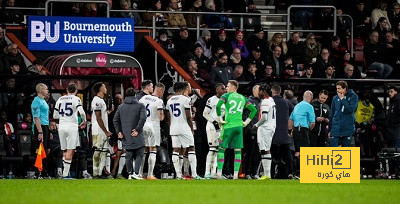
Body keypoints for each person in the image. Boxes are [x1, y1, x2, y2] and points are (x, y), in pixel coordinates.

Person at [215, 80, 257, 179]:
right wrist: (246, 122)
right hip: (239, 127)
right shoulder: (243, 98)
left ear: (234, 87)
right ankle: (235, 175)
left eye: (228, 86)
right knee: (237, 151)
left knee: (221, 149)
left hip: (228, 126)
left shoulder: (226, 96)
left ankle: (219, 173)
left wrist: (220, 119)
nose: (226, 88)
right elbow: (254, 110)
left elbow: (218, 106)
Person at [166, 82, 201, 179]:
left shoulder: (170, 100)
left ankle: (178, 174)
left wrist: (171, 127)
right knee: (191, 148)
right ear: (184, 88)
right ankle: (194, 174)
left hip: (173, 127)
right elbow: (188, 117)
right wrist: (191, 129)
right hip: (184, 127)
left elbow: (168, 116)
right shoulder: (185, 99)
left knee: (176, 149)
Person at [53, 83, 87, 179]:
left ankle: (65, 173)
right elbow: (82, 112)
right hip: (72, 126)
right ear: (76, 91)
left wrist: (60, 123)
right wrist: (84, 121)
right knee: (70, 150)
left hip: (62, 127)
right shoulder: (76, 99)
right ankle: (65, 175)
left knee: (64, 151)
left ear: (67, 90)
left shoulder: (60, 99)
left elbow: (55, 116)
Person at [113, 88, 147, 179]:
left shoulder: (121, 107)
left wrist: (119, 131)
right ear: (135, 95)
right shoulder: (140, 105)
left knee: (129, 153)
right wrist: (137, 129)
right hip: (137, 133)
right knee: (139, 153)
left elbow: (115, 120)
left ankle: (129, 174)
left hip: (125, 134)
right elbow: (143, 118)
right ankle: (136, 174)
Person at [138, 83, 165, 180]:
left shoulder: (143, 99)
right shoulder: (159, 101)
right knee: (153, 149)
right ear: (161, 90)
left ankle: (140, 174)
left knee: (143, 150)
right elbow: (160, 117)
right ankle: (150, 175)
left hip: (143, 126)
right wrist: (163, 116)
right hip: (153, 126)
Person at [289, 90, 315, 177]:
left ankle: (294, 172)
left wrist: (291, 131)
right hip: (303, 130)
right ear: (311, 98)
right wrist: (308, 130)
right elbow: (312, 123)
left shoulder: (296, 106)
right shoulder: (309, 107)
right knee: (305, 151)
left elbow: (290, 120)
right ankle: (302, 173)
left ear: (303, 97)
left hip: (295, 130)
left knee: (297, 151)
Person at [252, 84, 276, 180]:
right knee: (266, 150)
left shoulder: (265, 101)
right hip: (271, 127)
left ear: (263, 91)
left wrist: (256, 125)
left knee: (264, 150)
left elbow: (264, 117)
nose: (258, 93)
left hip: (265, 128)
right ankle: (267, 174)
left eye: (260, 90)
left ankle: (267, 174)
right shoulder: (271, 100)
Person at [202, 83, 226, 179]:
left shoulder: (225, 101)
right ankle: (207, 172)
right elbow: (205, 113)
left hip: (220, 128)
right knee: (212, 149)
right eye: (222, 89)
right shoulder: (211, 100)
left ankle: (214, 172)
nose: (224, 90)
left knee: (218, 150)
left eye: (225, 88)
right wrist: (214, 122)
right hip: (212, 127)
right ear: (217, 90)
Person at [271, 84, 294, 179]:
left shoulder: (269, 101)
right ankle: (291, 172)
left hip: (272, 133)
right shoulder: (286, 102)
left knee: (270, 155)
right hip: (284, 134)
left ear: (272, 91)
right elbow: (294, 112)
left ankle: (270, 174)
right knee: (287, 156)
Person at [91, 82, 113, 179]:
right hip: (99, 130)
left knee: (104, 151)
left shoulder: (101, 100)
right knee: (98, 150)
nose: (106, 88)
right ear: (100, 89)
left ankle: (100, 172)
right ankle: (95, 173)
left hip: (103, 130)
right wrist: (106, 131)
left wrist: (108, 112)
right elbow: (98, 118)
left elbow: (102, 116)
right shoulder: (96, 100)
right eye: (104, 87)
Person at [328, 81, 359, 147]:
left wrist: (342, 99)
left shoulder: (354, 97)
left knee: (345, 152)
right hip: (336, 129)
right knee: (333, 151)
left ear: (344, 89)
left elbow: (351, 110)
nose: (337, 90)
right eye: (336, 88)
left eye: (339, 88)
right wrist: (330, 130)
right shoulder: (335, 98)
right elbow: (332, 114)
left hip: (347, 129)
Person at [31, 83, 50, 178]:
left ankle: (43, 171)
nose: (47, 91)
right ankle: (37, 172)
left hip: (45, 126)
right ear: (40, 90)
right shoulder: (36, 101)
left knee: (45, 149)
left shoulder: (43, 101)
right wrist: (40, 132)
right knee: (39, 149)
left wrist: (47, 130)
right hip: (40, 127)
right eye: (46, 89)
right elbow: (36, 118)